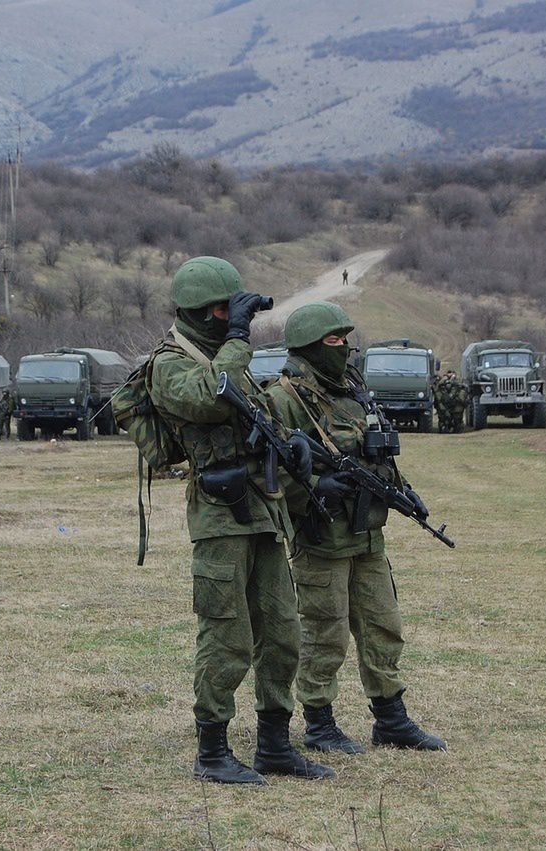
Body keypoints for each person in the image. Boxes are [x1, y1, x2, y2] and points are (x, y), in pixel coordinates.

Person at [149, 256, 333, 785]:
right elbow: (213, 396)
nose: (233, 318)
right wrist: (237, 335)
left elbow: (255, 409)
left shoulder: (228, 358)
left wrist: (293, 442)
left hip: (263, 511)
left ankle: (275, 745)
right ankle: (213, 752)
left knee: (281, 633)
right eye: (223, 311)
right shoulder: (170, 364)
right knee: (226, 635)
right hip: (219, 516)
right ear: (200, 312)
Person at [266, 301, 447, 755]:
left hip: (367, 532)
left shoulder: (353, 389)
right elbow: (271, 470)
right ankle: (319, 724)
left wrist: (402, 490)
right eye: (333, 341)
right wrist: (315, 485)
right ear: (309, 347)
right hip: (321, 537)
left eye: (345, 339)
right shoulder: (284, 399)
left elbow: (376, 452)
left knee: (383, 626)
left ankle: (390, 719)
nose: (343, 348)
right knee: (324, 632)